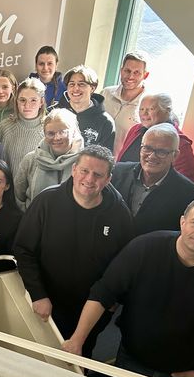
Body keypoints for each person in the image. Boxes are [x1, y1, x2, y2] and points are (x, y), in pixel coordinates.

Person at [63, 197, 194, 377]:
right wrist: (78, 340)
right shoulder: (145, 248)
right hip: (131, 360)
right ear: (183, 222)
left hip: (183, 375)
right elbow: (104, 292)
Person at [13, 145, 133, 357]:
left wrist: (114, 301)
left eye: (98, 175)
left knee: (80, 360)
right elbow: (23, 250)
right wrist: (38, 294)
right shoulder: (46, 201)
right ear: (74, 169)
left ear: (108, 179)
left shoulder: (119, 214)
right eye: (85, 171)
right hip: (48, 304)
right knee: (41, 358)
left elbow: (125, 265)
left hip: (92, 310)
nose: (89, 179)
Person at [111, 124, 194, 236]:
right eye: (147, 148)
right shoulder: (116, 172)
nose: (152, 156)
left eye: (161, 152)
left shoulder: (190, 196)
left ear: (175, 155)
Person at [117, 92, 194, 189]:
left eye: (151, 109)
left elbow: (193, 184)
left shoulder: (179, 142)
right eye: (142, 109)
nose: (144, 114)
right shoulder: (135, 130)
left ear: (167, 110)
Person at [14, 108, 83, 210]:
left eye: (62, 132)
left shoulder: (84, 162)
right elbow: (18, 196)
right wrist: (29, 216)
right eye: (51, 133)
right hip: (34, 217)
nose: (57, 138)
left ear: (73, 132)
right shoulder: (31, 160)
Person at [0, 78, 46, 179]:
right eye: (22, 100)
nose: (27, 105)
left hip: (36, 187)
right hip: (6, 185)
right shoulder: (5, 127)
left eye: (33, 100)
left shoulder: (48, 130)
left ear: (41, 102)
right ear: (16, 101)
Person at [100, 51, 149, 156]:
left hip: (122, 164)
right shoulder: (105, 93)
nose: (130, 76)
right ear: (121, 70)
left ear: (145, 75)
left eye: (136, 72)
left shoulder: (148, 106)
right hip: (96, 159)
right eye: (127, 71)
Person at [56, 65, 115, 152]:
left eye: (81, 84)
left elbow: (104, 157)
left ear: (92, 88)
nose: (76, 88)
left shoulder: (105, 122)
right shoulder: (54, 113)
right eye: (71, 84)